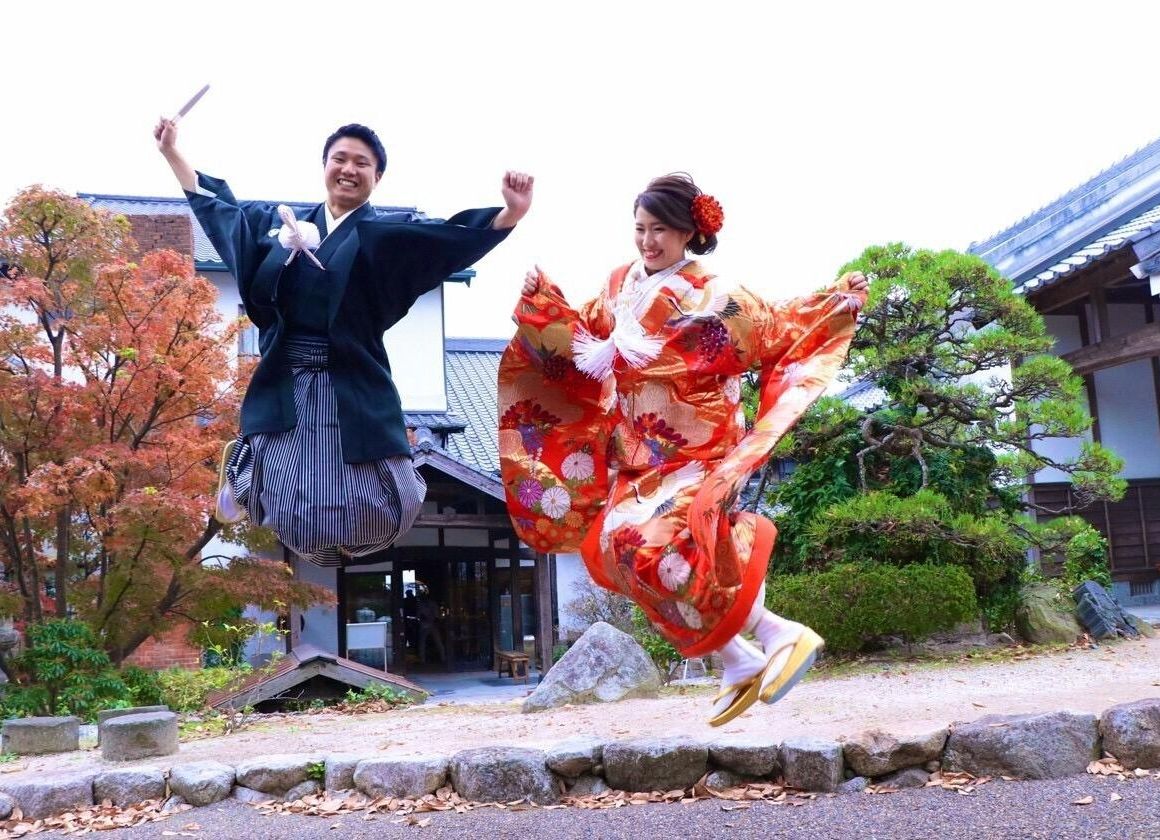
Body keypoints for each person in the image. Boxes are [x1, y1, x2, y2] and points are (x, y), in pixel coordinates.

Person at [499, 173, 866, 725]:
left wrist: (835, 301)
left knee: (671, 542)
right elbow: (578, 338)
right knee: (615, 547)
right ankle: (740, 657)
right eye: (640, 229)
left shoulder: (716, 295)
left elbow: (775, 326)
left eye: (660, 230)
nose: (648, 241)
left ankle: (775, 633)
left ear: (688, 232)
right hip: (640, 452)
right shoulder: (620, 285)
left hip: (701, 447)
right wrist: (542, 305)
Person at [155, 118, 533, 566]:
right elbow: (223, 215)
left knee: (378, 486)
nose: (349, 169)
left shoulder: (386, 237)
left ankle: (317, 527)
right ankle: (242, 474)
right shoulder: (279, 224)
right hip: (285, 373)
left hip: (352, 373)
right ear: (325, 166)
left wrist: (509, 214)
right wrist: (173, 154)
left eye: (362, 163)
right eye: (340, 159)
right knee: (282, 483)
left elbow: (445, 241)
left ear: (377, 176)